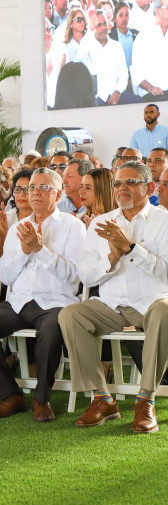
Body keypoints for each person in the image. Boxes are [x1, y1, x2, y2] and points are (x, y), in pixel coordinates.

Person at [59, 161, 168, 433]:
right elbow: (86, 276)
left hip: (152, 303)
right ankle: (102, 398)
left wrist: (130, 248)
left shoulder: (164, 221)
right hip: (112, 307)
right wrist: (112, 259)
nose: (122, 188)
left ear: (150, 188)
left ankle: (146, 400)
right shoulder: (101, 222)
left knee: (165, 311)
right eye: (118, 183)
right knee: (70, 315)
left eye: (131, 182)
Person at [0, 168, 86, 422]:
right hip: (19, 301)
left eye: (43, 187)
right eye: (31, 187)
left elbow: (73, 276)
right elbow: (6, 277)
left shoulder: (73, 227)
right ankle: (11, 394)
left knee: (50, 330)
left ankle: (41, 399)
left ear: (58, 194)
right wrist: (25, 252)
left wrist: (40, 250)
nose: (35, 192)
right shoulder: (17, 228)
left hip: (56, 301)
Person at [83, 10, 139, 105]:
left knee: (140, 103)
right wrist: (89, 31)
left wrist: (118, 91)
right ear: (92, 27)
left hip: (116, 94)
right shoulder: (87, 46)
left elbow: (123, 74)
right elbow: (78, 57)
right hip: (96, 98)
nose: (104, 27)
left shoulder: (117, 46)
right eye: (99, 25)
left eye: (105, 23)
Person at [0, 169, 35, 260]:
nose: (21, 194)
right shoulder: (5, 218)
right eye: (18, 189)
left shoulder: (43, 218)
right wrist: (2, 235)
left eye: (27, 189)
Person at [130, 0, 168, 100]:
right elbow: (136, 73)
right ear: (157, 11)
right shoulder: (143, 37)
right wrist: (151, 88)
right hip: (152, 93)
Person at [109, 2, 139, 75]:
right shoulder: (110, 37)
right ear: (114, 18)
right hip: (119, 76)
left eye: (127, 15)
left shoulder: (136, 35)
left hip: (136, 75)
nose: (124, 19)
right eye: (121, 15)